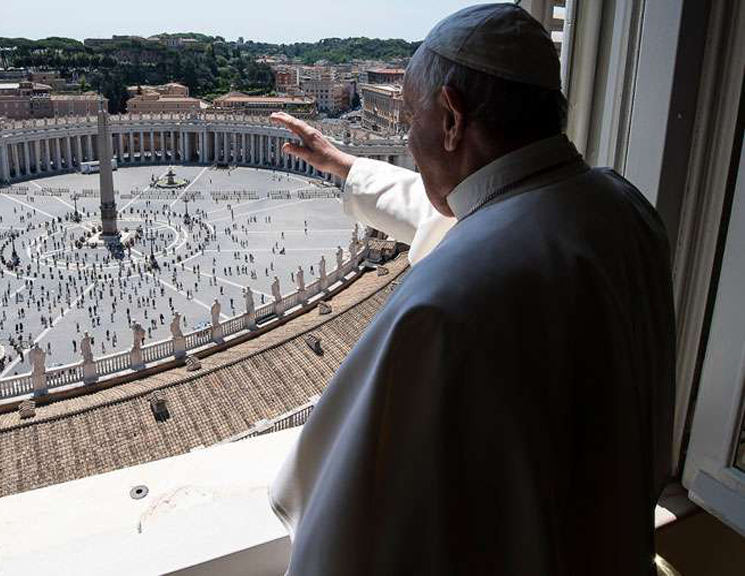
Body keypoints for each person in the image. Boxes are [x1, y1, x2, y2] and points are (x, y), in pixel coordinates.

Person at [268, 4, 674, 575]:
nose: (407, 137)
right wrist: (345, 164)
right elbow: (477, 214)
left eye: (411, 117)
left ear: (453, 118)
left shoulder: (443, 301)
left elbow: (348, 530)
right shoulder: (622, 207)